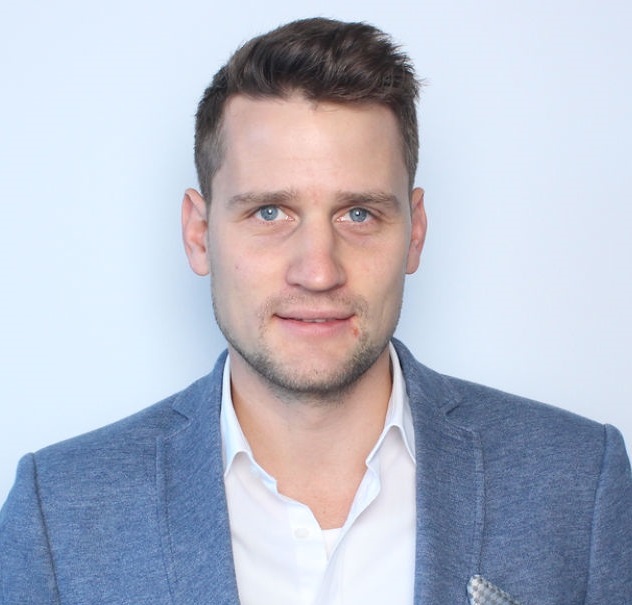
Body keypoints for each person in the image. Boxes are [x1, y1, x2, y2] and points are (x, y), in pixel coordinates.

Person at [0, 17, 630, 605]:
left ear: (414, 233)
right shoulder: (59, 512)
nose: (319, 271)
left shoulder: (579, 483)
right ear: (198, 234)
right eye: (270, 212)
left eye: (359, 214)